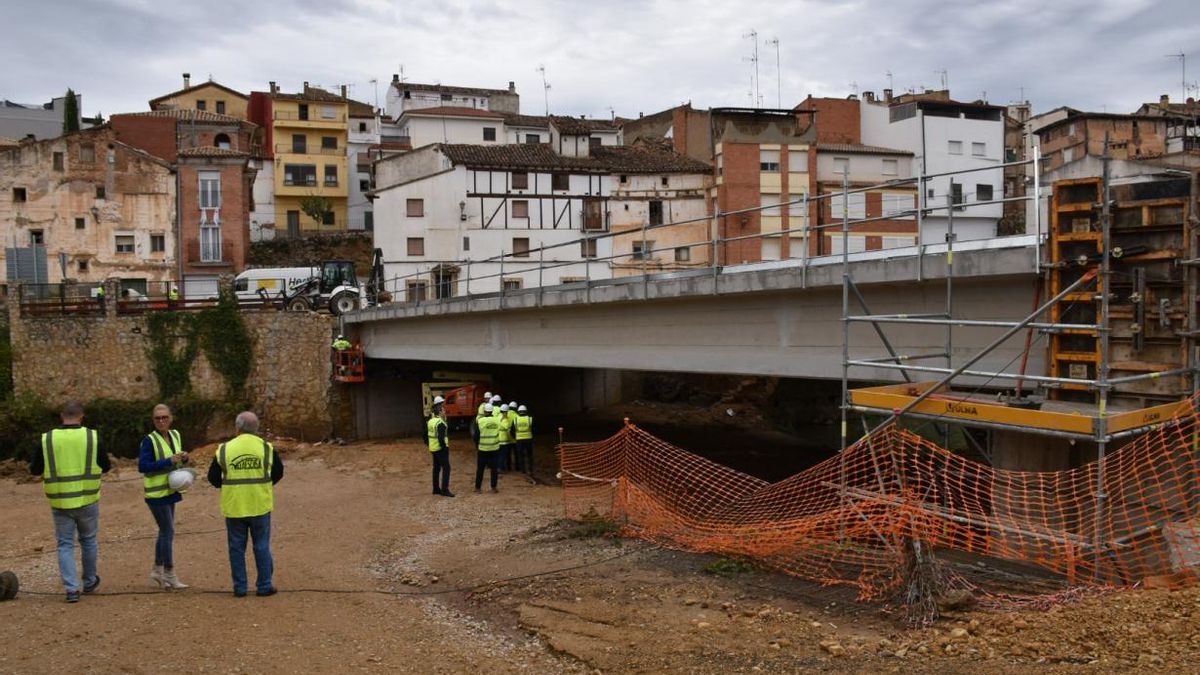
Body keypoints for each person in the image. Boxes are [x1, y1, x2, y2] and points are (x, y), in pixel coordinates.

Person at [31, 401, 110, 603]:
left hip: (60, 501)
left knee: (65, 544)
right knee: (89, 540)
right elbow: (105, 465)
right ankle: (90, 581)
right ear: (81, 416)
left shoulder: (47, 439)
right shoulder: (92, 437)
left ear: (61, 416)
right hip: (88, 499)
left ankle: (72, 589)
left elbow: (35, 469)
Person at [207, 411, 284, 598]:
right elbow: (278, 472)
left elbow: (213, 478)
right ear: (256, 429)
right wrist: (263, 485)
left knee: (236, 547)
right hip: (259, 504)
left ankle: (240, 587)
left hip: (235, 506)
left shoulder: (225, 449)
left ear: (237, 427)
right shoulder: (266, 448)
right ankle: (264, 586)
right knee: (262, 545)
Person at [138, 403, 190, 590]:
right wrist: (169, 461)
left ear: (171, 418)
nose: (161, 421)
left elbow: (176, 460)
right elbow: (143, 466)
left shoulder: (175, 435)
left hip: (170, 490)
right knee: (168, 531)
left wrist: (184, 458)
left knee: (165, 531)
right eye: (157, 418)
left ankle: (157, 569)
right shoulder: (149, 441)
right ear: (153, 420)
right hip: (156, 493)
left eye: (164, 417)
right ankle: (169, 573)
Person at [427, 396, 453, 497]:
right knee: (447, 468)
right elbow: (441, 438)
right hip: (440, 449)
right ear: (440, 411)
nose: (444, 410)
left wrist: (429, 443)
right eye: (443, 409)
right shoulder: (440, 423)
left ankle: (436, 489)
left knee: (436, 468)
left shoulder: (431, 421)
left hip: (433, 448)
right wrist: (444, 447)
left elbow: (425, 435)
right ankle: (444, 490)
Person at [473, 403, 501, 493]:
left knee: (480, 469)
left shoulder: (480, 421)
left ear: (485, 411)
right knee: (494, 469)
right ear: (492, 411)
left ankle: (478, 488)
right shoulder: (497, 420)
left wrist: (478, 445)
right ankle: (493, 487)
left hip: (483, 449)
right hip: (495, 448)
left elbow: (476, 436)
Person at [515, 404, 534, 476]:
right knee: (529, 455)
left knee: (521, 455)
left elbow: (512, 430)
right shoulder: (530, 419)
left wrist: (516, 437)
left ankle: (523, 470)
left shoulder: (516, 419)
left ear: (518, 411)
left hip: (519, 440)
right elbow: (534, 429)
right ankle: (530, 469)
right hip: (528, 439)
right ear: (526, 411)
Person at [496, 404, 514, 471]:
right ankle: (500, 468)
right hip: (504, 440)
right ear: (506, 411)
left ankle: (500, 467)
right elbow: (506, 427)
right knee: (503, 455)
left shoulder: (497, 417)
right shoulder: (505, 419)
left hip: (497, 439)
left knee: (498, 454)